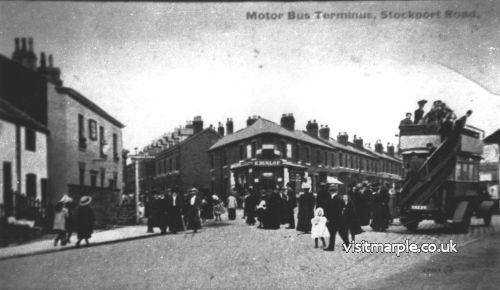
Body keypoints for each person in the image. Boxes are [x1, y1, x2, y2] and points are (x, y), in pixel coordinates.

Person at [324, 187, 349, 251]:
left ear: (330, 192)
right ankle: (347, 244)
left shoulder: (331, 200)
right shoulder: (340, 198)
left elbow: (329, 210)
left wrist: (328, 217)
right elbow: (343, 207)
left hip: (333, 219)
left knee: (332, 233)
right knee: (342, 233)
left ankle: (331, 247)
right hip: (340, 218)